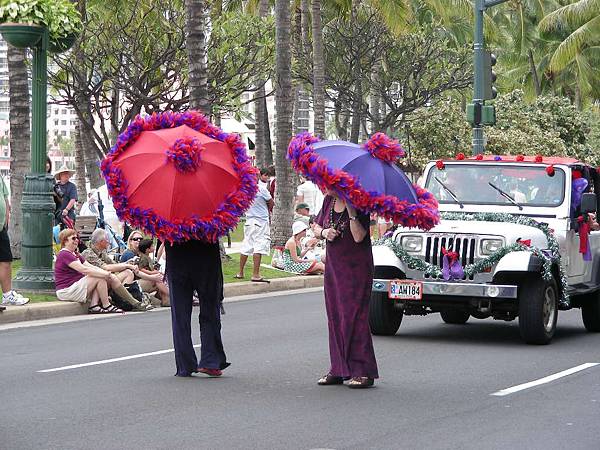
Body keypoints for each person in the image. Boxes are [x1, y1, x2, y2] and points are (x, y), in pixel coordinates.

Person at [312, 189, 378, 388]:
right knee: (335, 316)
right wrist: (325, 232)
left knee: (354, 317)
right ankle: (339, 368)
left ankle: (363, 371)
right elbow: (315, 226)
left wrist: (351, 208)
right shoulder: (328, 201)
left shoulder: (360, 202)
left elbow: (359, 236)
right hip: (334, 267)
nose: (325, 185)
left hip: (356, 268)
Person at [165, 239, 230, 377]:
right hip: (205, 256)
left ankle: (185, 364)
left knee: (180, 315)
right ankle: (210, 360)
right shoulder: (209, 216)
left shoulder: (167, 218)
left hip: (177, 256)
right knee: (210, 311)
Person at [81, 228, 153, 311]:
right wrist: (128, 265)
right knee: (109, 276)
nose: (109, 242)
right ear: (101, 242)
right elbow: (105, 267)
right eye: (136, 239)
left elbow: (114, 264)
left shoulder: (102, 252)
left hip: (106, 281)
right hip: (93, 284)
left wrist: (127, 264)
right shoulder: (88, 253)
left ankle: (125, 301)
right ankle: (132, 302)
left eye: (141, 239)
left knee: (128, 273)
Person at [54, 229, 123, 313]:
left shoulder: (75, 254)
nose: (76, 240)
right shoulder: (64, 254)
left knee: (100, 276)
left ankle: (94, 305)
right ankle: (106, 305)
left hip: (74, 287)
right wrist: (104, 274)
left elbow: (90, 266)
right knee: (97, 276)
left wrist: (105, 273)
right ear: (65, 241)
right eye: (73, 238)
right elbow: (84, 269)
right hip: (66, 290)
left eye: (77, 238)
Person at [236, 168, 274, 283]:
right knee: (259, 246)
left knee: (247, 245)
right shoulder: (261, 189)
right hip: (261, 221)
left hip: (249, 221)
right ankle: (255, 274)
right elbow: (271, 202)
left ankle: (240, 272)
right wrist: (267, 209)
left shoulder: (244, 190)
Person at [0, 173, 29, 307]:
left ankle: (7, 295)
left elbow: (5, 196)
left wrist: (6, 217)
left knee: (6, 260)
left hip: (1, 227)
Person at [120, 230, 170, 306]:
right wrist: (151, 275)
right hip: (132, 284)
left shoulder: (142, 255)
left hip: (139, 281)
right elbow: (138, 270)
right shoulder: (129, 254)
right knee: (157, 280)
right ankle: (171, 296)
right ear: (130, 241)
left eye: (141, 239)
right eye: (135, 239)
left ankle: (165, 299)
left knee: (159, 278)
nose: (139, 240)